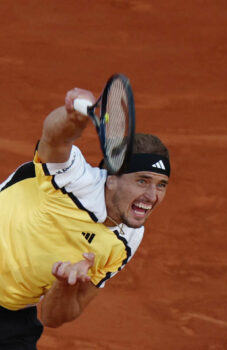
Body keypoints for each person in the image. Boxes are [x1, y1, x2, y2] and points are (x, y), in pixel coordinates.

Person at [0, 87, 171, 349]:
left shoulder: (127, 240)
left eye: (161, 185)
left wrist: (66, 285)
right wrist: (74, 118)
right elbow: (54, 138)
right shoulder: (73, 178)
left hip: (10, 318)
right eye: (142, 181)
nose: (151, 195)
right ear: (112, 179)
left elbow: (52, 317)